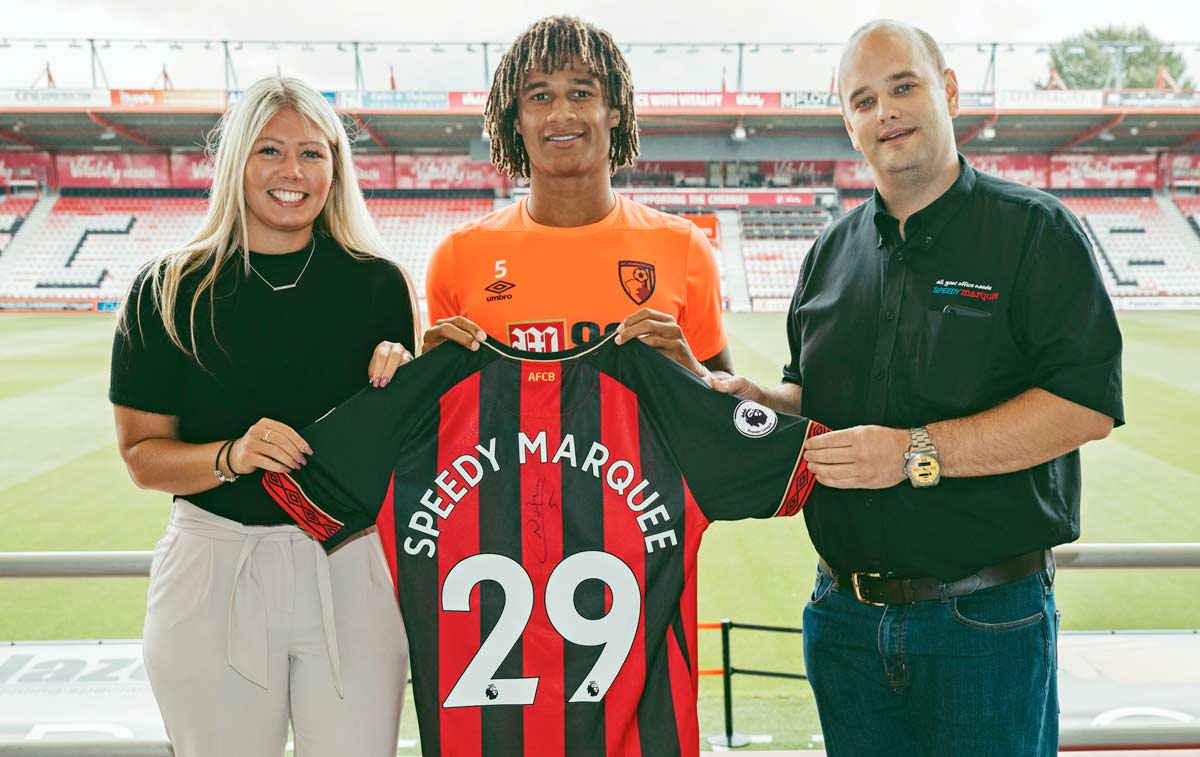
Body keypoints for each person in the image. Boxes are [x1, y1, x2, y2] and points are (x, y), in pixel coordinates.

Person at [712, 19, 1123, 757]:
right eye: (863, 100)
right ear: (849, 123)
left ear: (949, 92)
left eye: (903, 86)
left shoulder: (1034, 232)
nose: (886, 110)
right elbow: (813, 397)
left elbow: (1085, 405)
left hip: (985, 621)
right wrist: (760, 400)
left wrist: (912, 452)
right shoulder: (828, 253)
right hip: (842, 618)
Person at [110, 76, 417, 757]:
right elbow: (141, 454)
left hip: (350, 564)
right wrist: (231, 454)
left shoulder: (379, 284)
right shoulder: (165, 291)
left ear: (335, 169)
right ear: (236, 160)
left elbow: (403, 449)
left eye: (313, 153)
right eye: (271, 150)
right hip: (215, 564)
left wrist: (401, 375)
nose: (292, 172)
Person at [423, 15, 732, 379]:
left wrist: (697, 374)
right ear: (517, 120)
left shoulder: (683, 247)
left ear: (613, 111)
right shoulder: (457, 256)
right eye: (540, 96)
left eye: (581, 93)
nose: (562, 113)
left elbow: (724, 401)